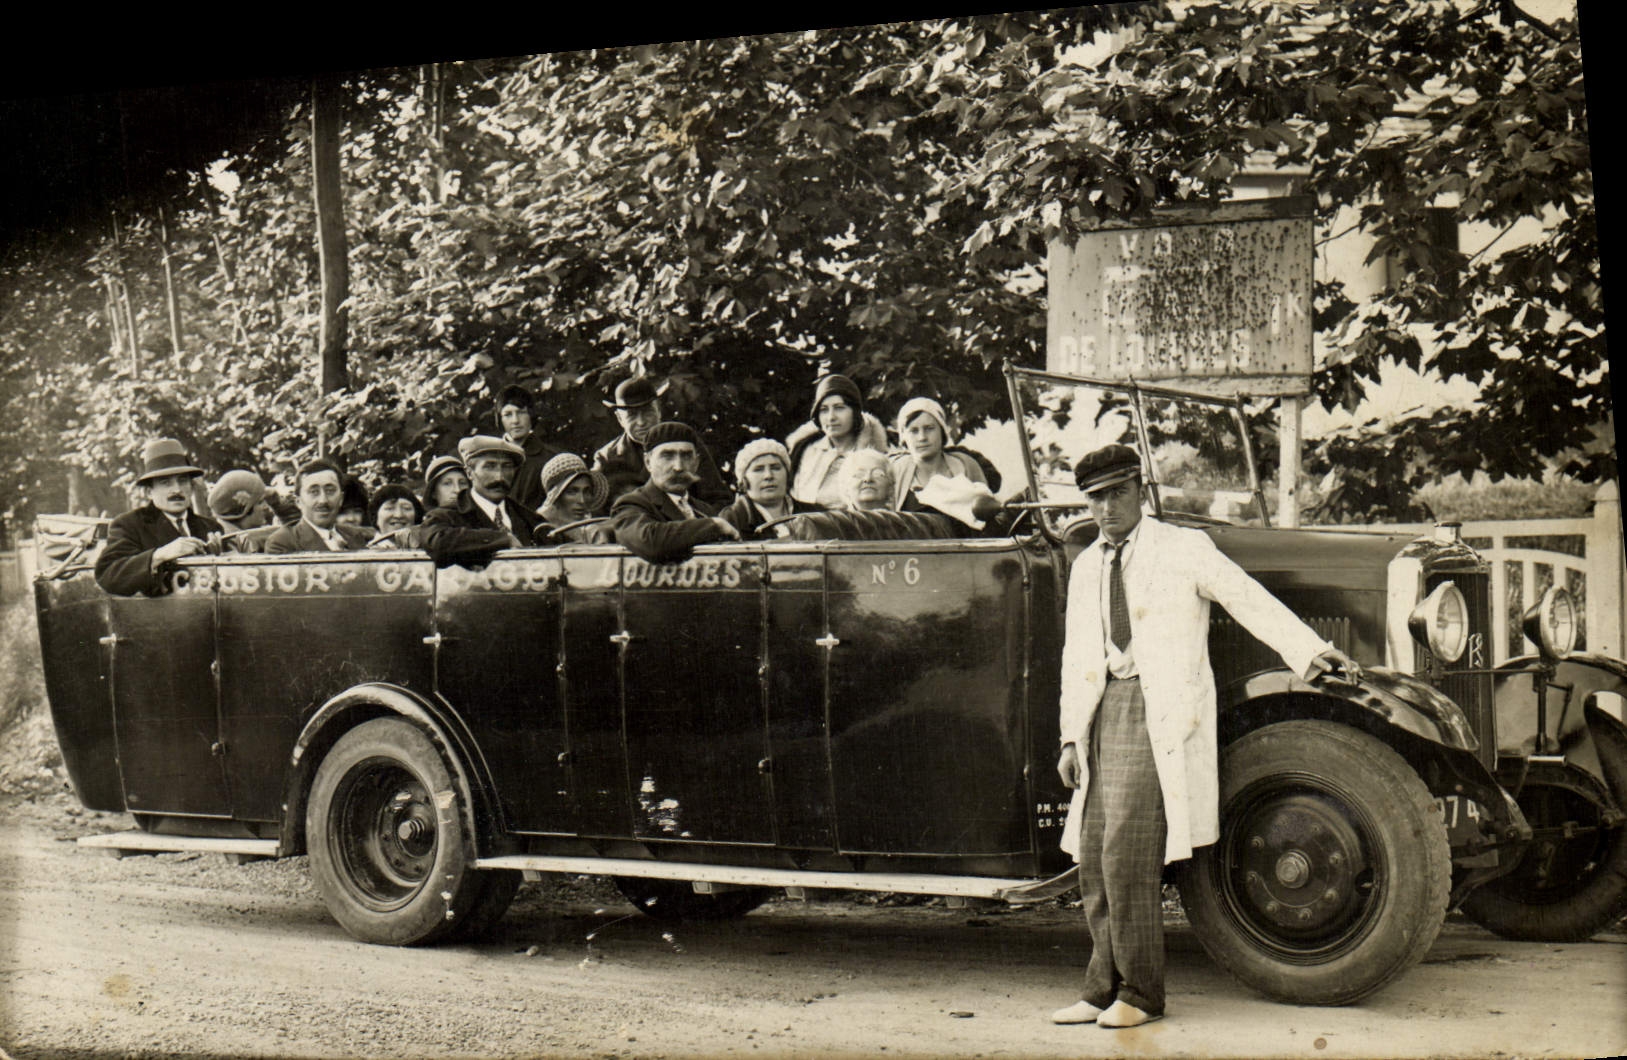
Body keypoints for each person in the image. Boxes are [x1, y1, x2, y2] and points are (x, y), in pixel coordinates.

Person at [1050, 444, 1362, 1030]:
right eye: (1095, 497)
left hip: (1160, 708)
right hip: (1103, 710)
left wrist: (1309, 650)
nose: (1106, 507)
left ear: (1140, 490)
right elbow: (1075, 657)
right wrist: (1071, 737)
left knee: (1127, 853)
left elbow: (1248, 599)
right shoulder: (1088, 563)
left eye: (1117, 493)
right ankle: (1099, 989)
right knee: (1093, 854)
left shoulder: (1182, 548)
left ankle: (1141, 994)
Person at [95, 438, 222, 596]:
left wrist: (221, 557)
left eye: (182, 481)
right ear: (149, 492)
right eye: (165, 483)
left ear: (192, 487)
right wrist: (160, 555)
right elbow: (108, 575)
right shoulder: (129, 525)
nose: (177, 490)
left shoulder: (211, 527)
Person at [610, 421, 741, 563]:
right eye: (667, 456)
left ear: (696, 463)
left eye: (686, 456)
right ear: (648, 462)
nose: (678, 467)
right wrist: (713, 526)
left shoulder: (704, 510)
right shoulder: (631, 504)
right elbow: (650, 541)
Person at [592, 374, 729, 507]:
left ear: (659, 410)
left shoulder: (686, 444)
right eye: (631, 415)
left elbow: (718, 499)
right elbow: (597, 512)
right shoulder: (607, 458)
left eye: (647, 412)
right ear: (619, 418)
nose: (641, 422)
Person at [419, 436, 542, 566]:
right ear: (469, 473)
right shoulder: (446, 516)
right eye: (489, 466)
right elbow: (437, 542)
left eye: (507, 467)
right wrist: (502, 539)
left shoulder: (528, 518)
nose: (499, 476)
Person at [786, 374, 889, 507]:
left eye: (839, 408)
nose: (831, 417)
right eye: (824, 410)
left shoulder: (874, 456)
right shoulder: (805, 451)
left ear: (855, 412)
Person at [887, 397, 991, 510]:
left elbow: (987, 513)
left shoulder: (965, 465)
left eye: (929, 428)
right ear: (904, 437)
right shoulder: (894, 471)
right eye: (914, 431)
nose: (922, 437)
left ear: (942, 431)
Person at [263, 460, 374, 553]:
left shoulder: (353, 535)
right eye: (314, 492)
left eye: (330, 491)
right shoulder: (282, 542)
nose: (323, 500)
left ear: (340, 499)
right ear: (298, 502)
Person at [720, 438, 823, 538]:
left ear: (787, 474)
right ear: (744, 480)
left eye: (775, 468)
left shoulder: (815, 514)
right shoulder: (733, 518)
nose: (768, 476)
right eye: (758, 469)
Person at [494, 383, 563, 512]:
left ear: (531, 415)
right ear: (500, 419)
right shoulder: (489, 457)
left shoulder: (552, 458)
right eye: (508, 414)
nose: (515, 420)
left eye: (521, 412)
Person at [536, 453, 610, 543]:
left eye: (586, 491)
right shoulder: (538, 528)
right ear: (556, 497)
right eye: (572, 492)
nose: (582, 500)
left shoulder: (594, 532)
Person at [207, 469, 278, 553]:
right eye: (260, 502)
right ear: (243, 509)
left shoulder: (250, 537)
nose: (266, 507)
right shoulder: (225, 545)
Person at [366, 483, 424, 548]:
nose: (399, 515)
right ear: (375, 516)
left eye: (406, 508)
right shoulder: (362, 550)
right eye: (389, 508)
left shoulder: (429, 551)